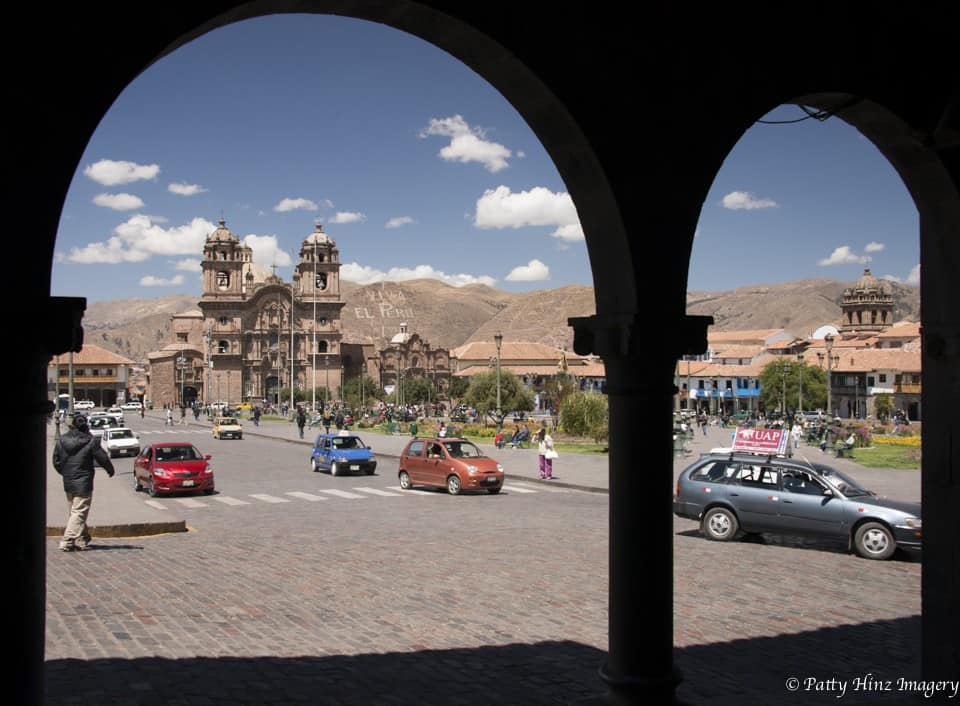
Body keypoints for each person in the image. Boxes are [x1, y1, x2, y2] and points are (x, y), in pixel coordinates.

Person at [52, 413, 115, 551]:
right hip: (83, 480)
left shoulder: (62, 440)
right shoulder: (90, 441)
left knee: (75, 511)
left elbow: (56, 461)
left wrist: (65, 472)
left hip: (68, 480)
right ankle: (67, 540)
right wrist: (110, 470)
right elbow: (102, 457)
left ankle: (82, 538)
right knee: (79, 512)